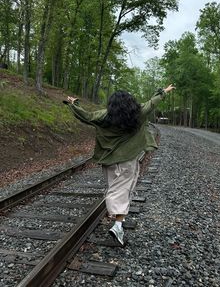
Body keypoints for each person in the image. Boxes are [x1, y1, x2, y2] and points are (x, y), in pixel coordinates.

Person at [66, 84, 175, 245]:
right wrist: (163, 92)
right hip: (128, 160)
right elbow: (152, 102)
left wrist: (74, 104)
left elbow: (86, 116)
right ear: (131, 103)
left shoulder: (104, 116)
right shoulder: (138, 114)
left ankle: (117, 220)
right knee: (122, 191)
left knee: (116, 189)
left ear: (111, 105)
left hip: (109, 161)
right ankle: (117, 225)